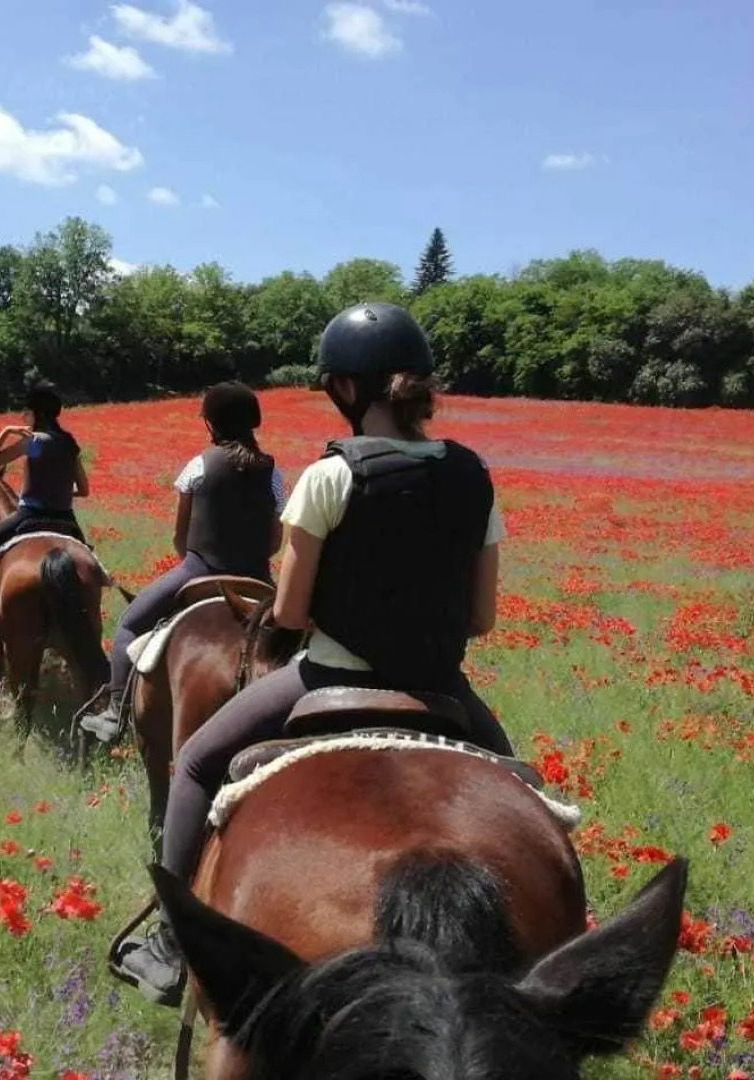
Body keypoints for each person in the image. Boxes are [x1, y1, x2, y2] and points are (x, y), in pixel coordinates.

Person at [114, 302, 517, 1006]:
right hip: (441, 687)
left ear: (344, 389)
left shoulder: (329, 478)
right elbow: (480, 618)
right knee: (524, 795)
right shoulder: (473, 476)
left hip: (329, 674)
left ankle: (171, 946)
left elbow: (292, 610)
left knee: (198, 763)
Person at [78, 382, 284, 742]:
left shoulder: (198, 466)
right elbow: (275, 541)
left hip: (200, 570)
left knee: (129, 624)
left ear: (212, 424)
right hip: (258, 577)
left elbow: (180, 537)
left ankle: (115, 713)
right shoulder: (273, 472)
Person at [0, 381, 90, 637]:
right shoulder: (70, 443)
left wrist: (5, 432)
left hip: (31, 516)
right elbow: (83, 489)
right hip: (66, 519)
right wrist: (57, 490)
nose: (22, 417)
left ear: (36, 414)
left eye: (26, 412)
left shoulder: (32, 441)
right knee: (89, 561)